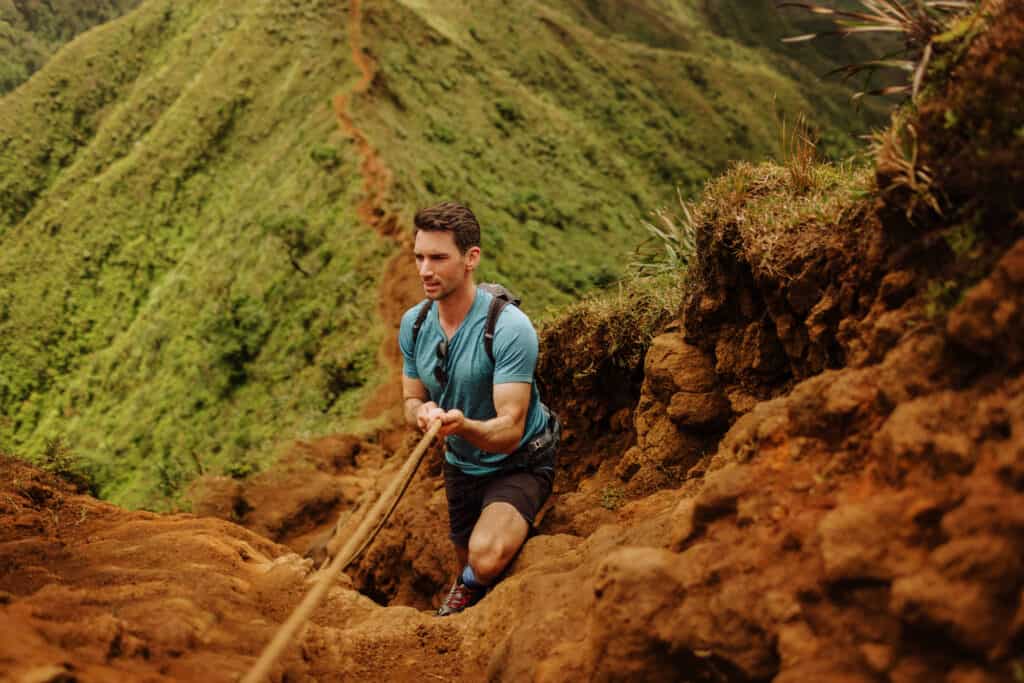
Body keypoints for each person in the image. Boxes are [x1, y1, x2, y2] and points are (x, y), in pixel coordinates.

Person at [398, 201, 560, 617]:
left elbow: (509, 431)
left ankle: (511, 534)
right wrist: (421, 413)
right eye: (419, 257)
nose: (424, 270)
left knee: (484, 557)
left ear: (471, 258)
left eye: (438, 258)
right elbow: (410, 401)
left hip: (518, 460)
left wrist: (463, 425)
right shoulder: (414, 325)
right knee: (466, 563)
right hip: (461, 463)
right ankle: (469, 592)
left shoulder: (509, 329)